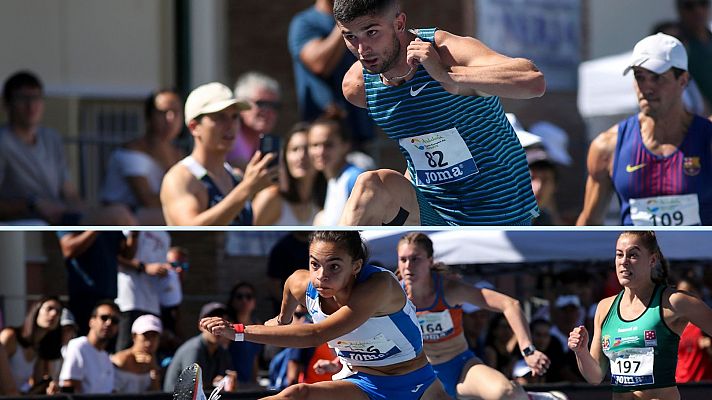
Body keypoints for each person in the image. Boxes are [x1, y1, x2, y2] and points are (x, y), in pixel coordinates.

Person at [332, 0, 544, 226]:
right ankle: (344, 257)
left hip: (502, 215)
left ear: (399, 23)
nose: (363, 50)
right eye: (350, 37)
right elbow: (420, 146)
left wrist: (447, 75)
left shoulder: (445, 50)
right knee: (371, 186)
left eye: (372, 32)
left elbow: (533, 81)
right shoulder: (358, 88)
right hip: (436, 218)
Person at [200, 231, 450, 400]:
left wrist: (239, 332)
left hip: (416, 385)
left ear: (356, 267)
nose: (321, 275)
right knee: (296, 394)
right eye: (315, 264)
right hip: (364, 383)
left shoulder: (378, 286)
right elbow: (289, 285)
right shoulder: (303, 284)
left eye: (334, 266)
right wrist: (283, 318)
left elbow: (316, 333)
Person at [397, 232, 564, 400]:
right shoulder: (393, 296)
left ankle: (530, 398)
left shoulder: (450, 290)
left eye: (415, 259)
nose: (408, 266)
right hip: (423, 375)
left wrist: (528, 350)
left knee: (506, 393)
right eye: (403, 260)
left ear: (430, 261)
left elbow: (509, 305)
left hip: (460, 367)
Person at [577, 33, 712, 226]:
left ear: (683, 80)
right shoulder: (608, 146)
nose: (646, 87)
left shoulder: (707, 139)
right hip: (637, 257)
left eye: (657, 78)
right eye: (639, 77)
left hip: (701, 256)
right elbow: (589, 224)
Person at [568, 231, 712, 399]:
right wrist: (581, 352)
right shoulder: (604, 307)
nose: (624, 262)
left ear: (652, 260)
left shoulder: (674, 301)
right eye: (619, 255)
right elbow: (595, 376)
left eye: (633, 255)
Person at [0, 70, 135, 225]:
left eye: (36, 98)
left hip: (62, 218)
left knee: (124, 213)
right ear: (7, 103)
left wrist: (88, 212)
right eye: (23, 99)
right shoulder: (3, 142)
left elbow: (69, 192)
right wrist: (32, 204)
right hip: (27, 223)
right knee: (117, 217)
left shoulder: (51, 138)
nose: (31, 105)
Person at [160, 82, 277, 225]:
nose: (230, 125)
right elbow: (189, 229)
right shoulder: (180, 178)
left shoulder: (236, 177)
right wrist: (246, 189)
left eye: (234, 117)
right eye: (219, 117)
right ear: (194, 127)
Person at [288, 0, 374, 146]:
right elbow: (319, 64)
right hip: (322, 140)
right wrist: (345, 21)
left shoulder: (362, 21)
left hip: (359, 131)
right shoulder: (305, 23)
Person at [100, 89, 185, 225]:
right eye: (162, 113)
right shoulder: (130, 152)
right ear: (149, 117)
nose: (170, 119)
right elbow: (148, 201)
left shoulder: (177, 153)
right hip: (120, 225)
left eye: (176, 112)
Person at [57, 231, 128, 337]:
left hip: (109, 294)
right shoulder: (73, 217)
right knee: (85, 340)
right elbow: (68, 249)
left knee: (105, 346)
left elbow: (126, 254)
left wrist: (135, 235)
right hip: (85, 295)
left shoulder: (111, 220)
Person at [252, 123, 324, 225]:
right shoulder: (270, 198)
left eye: (307, 148)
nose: (301, 156)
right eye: (294, 149)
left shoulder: (324, 203)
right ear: (285, 156)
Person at [115, 231, 171, 351]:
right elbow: (119, 257)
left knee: (150, 352)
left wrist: (163, 271)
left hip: (153, 303)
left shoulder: (165, 236)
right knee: (126, 349)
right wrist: (144, 267)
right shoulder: (132, 226)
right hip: (131, 300)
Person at [163, 302, 236, 393]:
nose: (217, 327)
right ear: (200, 325)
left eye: (222, 322)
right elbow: (191, 389)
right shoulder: (193, 349)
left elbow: (225, 382)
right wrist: (214, 384)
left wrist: (229, 382)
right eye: (211, 322)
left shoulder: (222, 351)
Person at [0, 296, 63, 394]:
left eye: (58, 312)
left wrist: (47, 388)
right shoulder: (10, 336)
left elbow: (35, 385)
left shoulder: (39, 348)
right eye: (49, 308)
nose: (54, 314)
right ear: (36, 310)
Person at [309, 118, 364, 225]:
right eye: (315, 145)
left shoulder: (355, 178)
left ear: (345, 145)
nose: (320, 152)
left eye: (328, 145)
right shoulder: (332, 180)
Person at [59, 300, 120, 394]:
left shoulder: (106, 358)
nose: (109, 323)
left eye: (114, 321)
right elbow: (69, 387)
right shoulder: (78, 346)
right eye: (104, 318)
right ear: (92, 321)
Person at [228, 72, 282, 170]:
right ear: (241, 105)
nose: (268, 112)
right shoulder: (229, 139)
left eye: (274, 106)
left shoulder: (268, 144)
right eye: (261, 104)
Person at [111, 314, 162, 393]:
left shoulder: (155, 364)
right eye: (146, 336)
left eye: (154, 336)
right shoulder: (120, 361)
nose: (149, 342)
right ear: (134, 336)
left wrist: (154, 371)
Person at [674, 276, 712, 382]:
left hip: (702, 385)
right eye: (681, 292)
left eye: (689, 291)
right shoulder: (672, 323)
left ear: (698, 294)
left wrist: (709, 347)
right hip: (680, 385)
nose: (685, 297)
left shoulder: (706, 322)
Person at [225, 282, 263, 385]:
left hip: (249, 383)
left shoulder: (258, 325)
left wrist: (255, 383)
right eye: (239, 297)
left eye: (249, 296)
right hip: (231, 383)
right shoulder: (228, 326)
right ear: (232, 301)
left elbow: (255, 358)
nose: (244, 300)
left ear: (254, 302)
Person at [676, 0, 712, 109]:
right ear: (680, 10)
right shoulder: (678, 46)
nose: (698, 11)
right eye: (689, 6)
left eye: (703, 3)